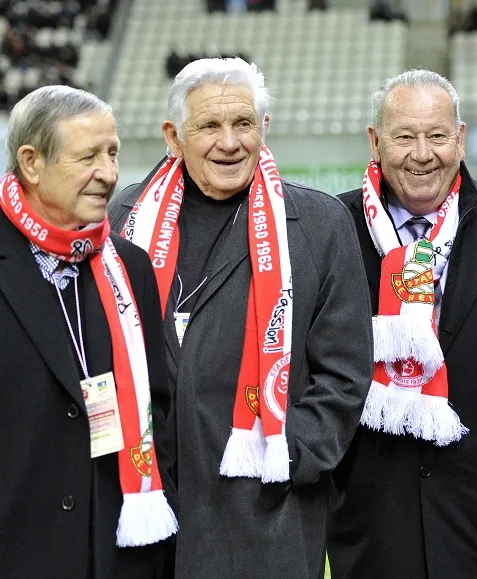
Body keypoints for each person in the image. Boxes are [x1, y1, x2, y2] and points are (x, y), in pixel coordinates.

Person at [108, 57, 373, 579]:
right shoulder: (124, 219)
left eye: (244, 123)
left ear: (264, 128)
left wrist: (284, 454)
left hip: (265, 522)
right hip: (145, 514)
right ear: (173, 135)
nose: (229, 143)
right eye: (209, 125)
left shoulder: (319, 225)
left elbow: (345, 374)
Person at [328, 69, 477, 579]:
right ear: (375, 142)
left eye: (438, 136)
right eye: (404, 137)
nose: (422, 154)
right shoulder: (330, 233)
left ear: (461, 138)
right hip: (371, 526)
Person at [0, 85, 177, 578]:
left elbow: (156, 407)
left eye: (113, 153)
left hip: (116, 551)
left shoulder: (132, 267)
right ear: (31, 162)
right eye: (88, 157)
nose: (109, 174)